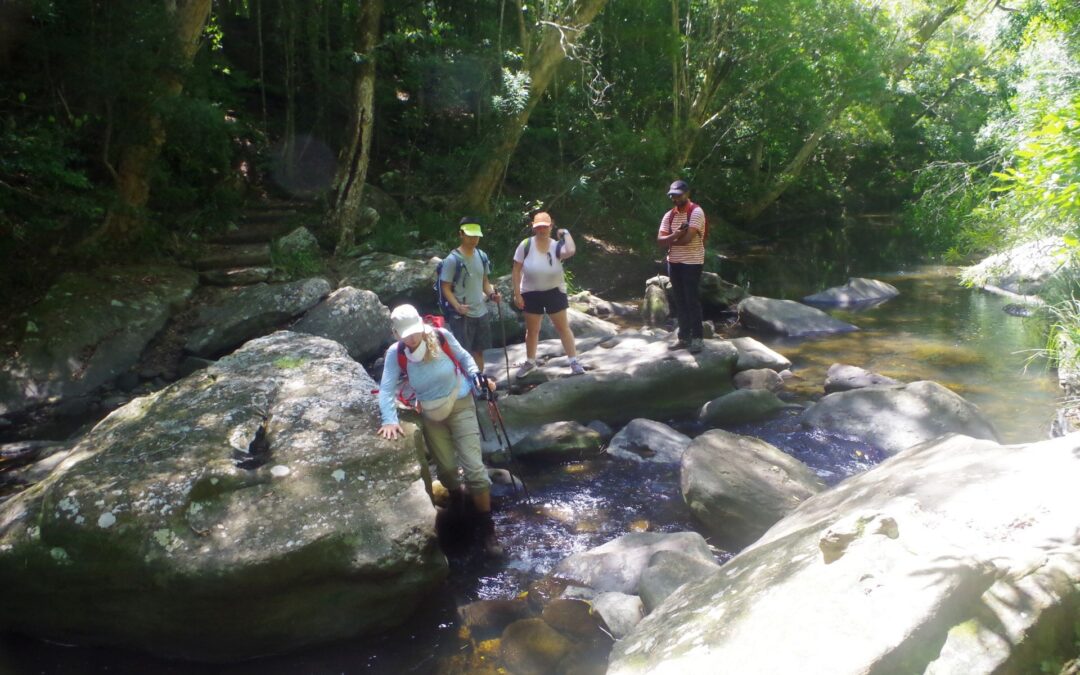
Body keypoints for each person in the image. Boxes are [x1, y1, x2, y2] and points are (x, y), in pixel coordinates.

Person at [377, 304, 503, 557]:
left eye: (414, 332)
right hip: (431, 415)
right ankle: (459, 504)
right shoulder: (396, 353)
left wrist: (476, 375)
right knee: (446, 469)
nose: (412, 339)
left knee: (475, 470)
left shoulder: (441, 336)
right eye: (405, 335)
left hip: (460, 403)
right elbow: (386, 388)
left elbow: (466, 357)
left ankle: (487, 528)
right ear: (396, 334)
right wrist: (389, 419)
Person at [511, 211, 584, 377]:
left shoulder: (556, 245)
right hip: (530, 292)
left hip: (554, 291)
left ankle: (573, 362)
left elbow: (571, 250)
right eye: (538, 227)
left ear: (551, 226)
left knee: (562, 327)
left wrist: (565, 233)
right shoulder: (526, 245)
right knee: (532, 330)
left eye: (545, 226)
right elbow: (516, 270)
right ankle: (530, 362)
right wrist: (517, 294)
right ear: (533, 228)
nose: (541, 230)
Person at [440, 217, 501, 370]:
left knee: (479, 352)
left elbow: (484, 282)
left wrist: (492, 295)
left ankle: (480, 384)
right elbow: (445, 287)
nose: (474, 239)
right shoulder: (452, 260)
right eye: (470, 235)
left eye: (476, 236)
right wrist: (457, 306)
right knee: (463, 354)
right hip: (462, 315)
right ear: (461, 234)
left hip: (481, 311)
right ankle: (466, 387)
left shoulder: (482, 256)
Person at [656, 179, 706, 354]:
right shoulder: (669, 215)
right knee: (679, 300)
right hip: (674, 262)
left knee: (691, 299)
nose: (675, 199)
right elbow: (660, 241)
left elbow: (687, 240)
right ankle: (684, 337)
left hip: (692, 262)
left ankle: (698, 338)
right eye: (672, 196)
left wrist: (671, 239)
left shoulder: (696, 212)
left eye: (678, 195)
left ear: (687, 194)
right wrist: (676, 235)